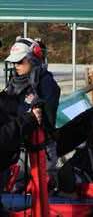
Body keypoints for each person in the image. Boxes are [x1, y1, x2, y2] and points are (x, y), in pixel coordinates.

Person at [4, 37, 61, 191]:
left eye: (20, 61)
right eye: (14, 62)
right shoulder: (14, 82)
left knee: (43, 189)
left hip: (41, 148)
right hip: (18, 147)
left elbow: (47, 119)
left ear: (33, 60)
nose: (16, 66)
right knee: (16, 188)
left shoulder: (46, 82)